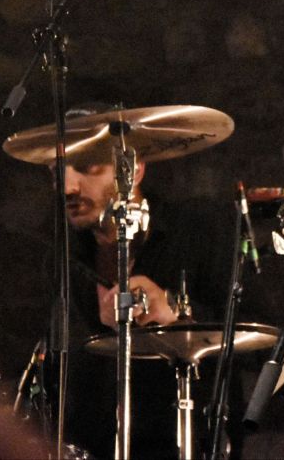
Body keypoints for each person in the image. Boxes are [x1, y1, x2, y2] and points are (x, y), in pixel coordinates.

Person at [41, 103, 232, 458]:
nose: (67, 187)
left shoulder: (197, 232)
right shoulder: (63, 254)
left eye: (87, 167)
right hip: (92, 443)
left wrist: (175, 309)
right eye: (57, 171)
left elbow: (256, 337)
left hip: (182, 437)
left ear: (135, 169)